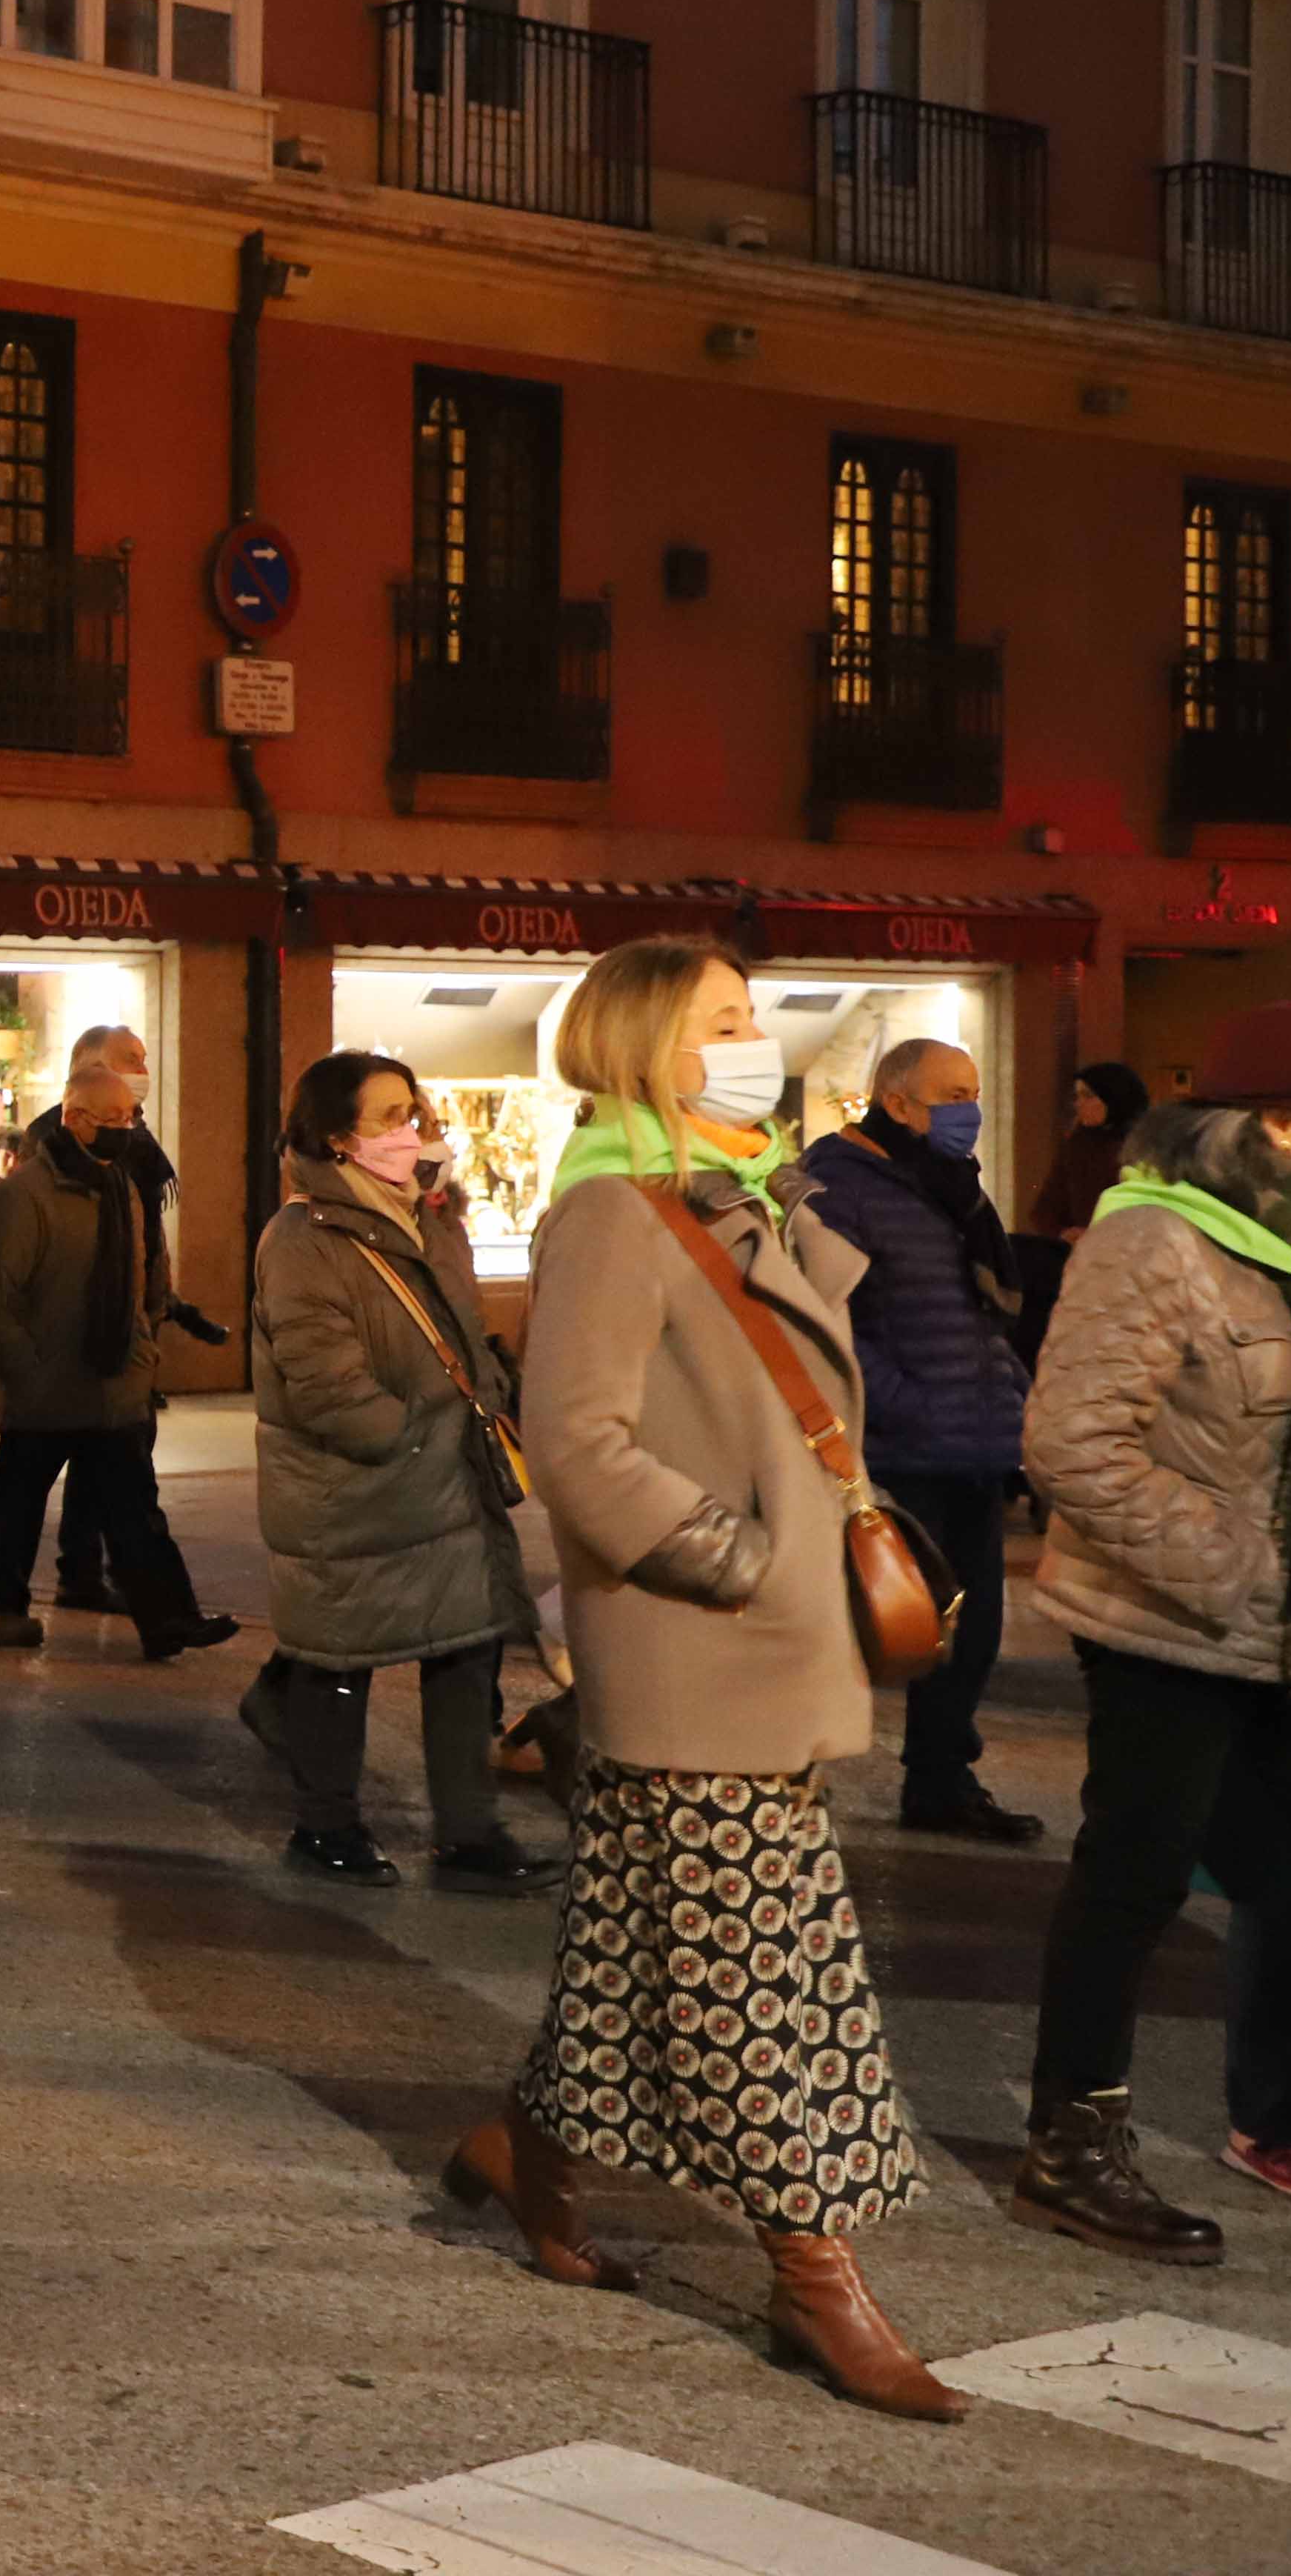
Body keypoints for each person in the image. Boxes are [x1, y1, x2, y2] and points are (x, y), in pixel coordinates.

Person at [464, 937, 961, 2423]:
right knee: (769, 1986)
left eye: (755, 1016)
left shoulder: (740, 1197)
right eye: (724, 1022)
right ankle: (817, 2279)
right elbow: (579, 1442)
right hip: (699, 1645)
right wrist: (736, 1559)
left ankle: (529, 2156)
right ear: (642, 1049)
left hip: (760, 1647)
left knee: (636, 1951)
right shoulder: (616, 1212)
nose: (759, 1038)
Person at [1010, 1007, 1291, 2251]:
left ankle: (1284, 2112)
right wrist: (1246, 1572)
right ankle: (1072, 2142)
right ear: (1259, 1127)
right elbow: (1071, 1445)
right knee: (1136, 1878)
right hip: (1171, 1621)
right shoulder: (1156, 1238)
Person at [240, 1053, 564, 1895]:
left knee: (465, 1654)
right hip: (353, 1490)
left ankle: (468, 1832)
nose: (410, 1128)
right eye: (389, 1115)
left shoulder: (434, 1218)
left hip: (448, 1481)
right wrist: (402, 1436)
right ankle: (326, 1824)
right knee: (338, 1660)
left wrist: (497, 1396)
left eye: (412, 1109)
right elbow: (322, 1380)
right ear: (337, 1137)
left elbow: (458, 1334)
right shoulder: (303, 1238)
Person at [800, 1036, 1044, 1846]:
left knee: (968, 1628)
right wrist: (896, 1400)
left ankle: (941, 1779)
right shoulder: (842, 1182)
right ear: (897, 1102)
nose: (968, 1108)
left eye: (974, 1090)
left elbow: (978, 1309)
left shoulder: (954, 1187)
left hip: (972, 1439)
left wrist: (1003, 1387)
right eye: (951, 1093)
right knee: (867, 1621)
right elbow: (827, 1318)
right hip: (900, 1444)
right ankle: (791, 1772)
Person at [0, 1054, 238, 1662]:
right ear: (74, 1118)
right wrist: (26, 1371)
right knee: (16, 1509)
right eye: (111, 1116)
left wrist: (141, 1363)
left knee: (136, 1511)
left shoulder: (123, 1188)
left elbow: (140, 1285)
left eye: (130, 1115)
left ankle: (169, 1620)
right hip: (44, 1388)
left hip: (110, 1385)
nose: (125, 1126)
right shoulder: (28, 1193)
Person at [1031, 1059, 1149, 1240]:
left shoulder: (1146, 1147)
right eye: (1077, 1097)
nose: (1079, 1104)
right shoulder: (1077, 1144)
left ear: (1113, 1098)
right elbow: (1045, 1208)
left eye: (1088, 1096)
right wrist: (1063, 1233)